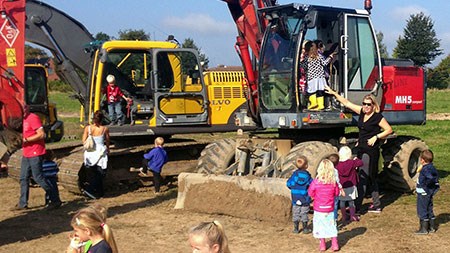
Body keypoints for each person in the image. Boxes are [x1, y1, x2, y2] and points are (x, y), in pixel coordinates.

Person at [325, 88, 393, 213]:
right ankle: (377, 204)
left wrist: (376, 137)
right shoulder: (362, 112)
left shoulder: (377, 117)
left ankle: (356, 207)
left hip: (370, 151)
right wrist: (334, 93)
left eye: (369, 104)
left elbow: (389, 130)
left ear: (373, 105)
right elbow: (347, 103)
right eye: (364, 103)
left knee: (363, 176)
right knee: (370, 176)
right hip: (361, 148)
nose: (366, 106)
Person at [14, 105, 61, 210]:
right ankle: (23, 203)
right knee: (23, 178)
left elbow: (41, 134)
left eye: (23, 108)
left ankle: (55, 199)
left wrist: (26, 140)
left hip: (35, 152)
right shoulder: (22, 119)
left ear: (27, 108)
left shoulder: (33, 118)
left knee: (38, 177)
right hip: (26, 152)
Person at [308, 159, 340, 251]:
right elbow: (337, 193)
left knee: (320, 226)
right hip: (329, 208)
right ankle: (334, 243)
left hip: (319, 208)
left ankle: (322, 244)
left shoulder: (315, 182)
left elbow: (310, 192)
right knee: (331, 225)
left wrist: (315, 197)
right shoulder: (333, 183)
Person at [82, 110, 110, 199]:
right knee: (100, 173)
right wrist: (108, 149)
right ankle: (95, 190)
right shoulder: (104, 129)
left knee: (93, 173)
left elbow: (83, 140)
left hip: (90, 153)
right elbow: (107, 140)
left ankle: (95, 191)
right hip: (100, 152)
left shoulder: (88, 128)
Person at [300, 40, 334, 111]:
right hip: (321, 78)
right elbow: (325, 63)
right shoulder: (319, 56)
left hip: (311, 78)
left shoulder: (307, 58)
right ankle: (321, 105)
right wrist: (330, 57)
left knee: (311, 91)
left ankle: (313, 103)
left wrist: (299, 62)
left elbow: (303, 66)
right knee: (319, 91)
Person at [336, 146, 364, 224]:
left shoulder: (338, 165)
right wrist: (356, 159)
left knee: (342, 202)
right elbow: (361, 163)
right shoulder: (352, 163)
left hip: (342, 187)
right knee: (351, 201)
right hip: (351, 185)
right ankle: (352, 215)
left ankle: (344, 216)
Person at [415, 149, 440, 235]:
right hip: (429, 192)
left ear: (422, 160)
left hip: (423, 193)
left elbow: (430, 178)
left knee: (422, 210)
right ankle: (432, 227)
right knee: (429, 208)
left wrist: (425, 186)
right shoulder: (431, 167)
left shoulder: (425, 170)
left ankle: (424, 229)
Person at [286, 155, 313, 234]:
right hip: (305, 198)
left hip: (295, 198)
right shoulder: (308, 176)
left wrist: (294, 188)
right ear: (306, 165)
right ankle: (305, 229)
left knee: (296, 212)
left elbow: (289, 184)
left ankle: (296, 229)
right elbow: (312, 185)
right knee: (304, 213)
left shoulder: (294, 175)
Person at [328, 153, 345, 226]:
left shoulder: (324, 171)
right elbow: (337, 181)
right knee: (334, 207)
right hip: (334, 192)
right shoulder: (335, 171)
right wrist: (341, 189)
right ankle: (334, 222)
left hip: (326, 193)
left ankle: (327, 221)